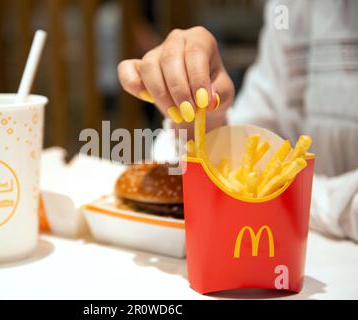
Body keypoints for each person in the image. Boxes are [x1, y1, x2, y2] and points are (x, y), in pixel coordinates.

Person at [117, 0, 358, 242]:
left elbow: (252, 181)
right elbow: (251, 149)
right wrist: (204, 120)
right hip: (280, 250)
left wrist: (298, 196)